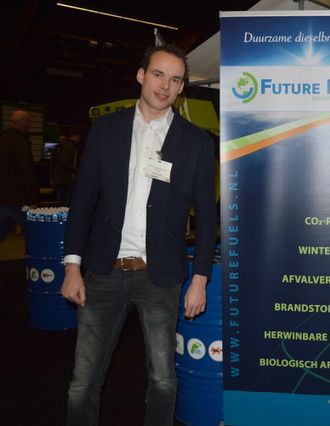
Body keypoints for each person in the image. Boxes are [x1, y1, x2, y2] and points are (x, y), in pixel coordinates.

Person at [60, 44, 217, 426]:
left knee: (163, 380)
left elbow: (207, 215)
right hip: (103, 272)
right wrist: (72, 267)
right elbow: (82, 201)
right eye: (158, 74)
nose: (165, 86)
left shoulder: (196, 142)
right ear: (141, 75)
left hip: (159, 278)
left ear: (182, 88)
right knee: (83, 383)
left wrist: (200, 278)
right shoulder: (106, 131)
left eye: (175, 79)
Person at [0, 110, 39, 241]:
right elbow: (26, 173)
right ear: (24, 123)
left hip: (2, 197)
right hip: (18, 199)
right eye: (28, 121)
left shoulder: (3, 139)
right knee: (35, 233)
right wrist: (32, 200)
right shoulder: (21, 143)